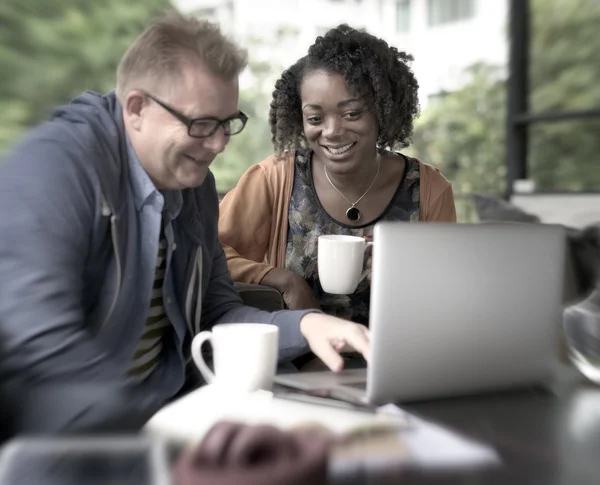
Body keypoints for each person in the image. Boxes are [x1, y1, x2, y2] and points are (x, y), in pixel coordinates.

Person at [0, 12, 370, 432]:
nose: (217, 145)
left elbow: (217, 315)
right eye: (201, 124)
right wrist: (157, 441)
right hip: (75, 438)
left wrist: (307, 324)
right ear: (137, 108)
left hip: (172, 413)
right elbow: (42, 346)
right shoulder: (52, 167)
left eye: (227, 124)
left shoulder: (192, 185)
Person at [219, 25, 457, 327]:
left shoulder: (428, 189)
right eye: (315, 118)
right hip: (299, 359)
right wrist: (283, 279)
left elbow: (446, 292)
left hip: (398, 358)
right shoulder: (274, 178)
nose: (331, 131)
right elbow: (209, 253)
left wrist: (407, 274)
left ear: (382, 112)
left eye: (352, 113)